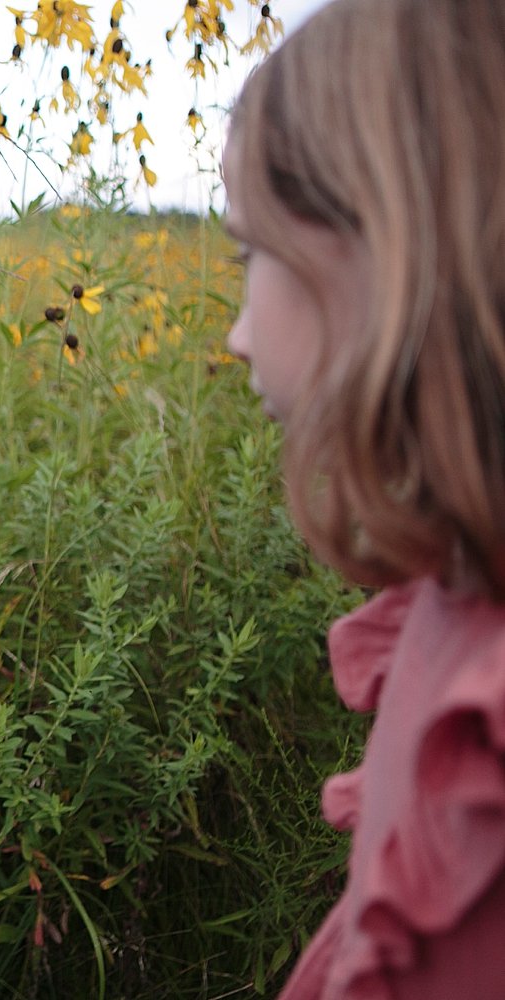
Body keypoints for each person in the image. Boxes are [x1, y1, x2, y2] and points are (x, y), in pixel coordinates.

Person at [224, 0, 505, 995]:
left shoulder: (489, 727)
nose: (237, 335)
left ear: (388, 251)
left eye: (249, 253)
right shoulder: (446, 602)